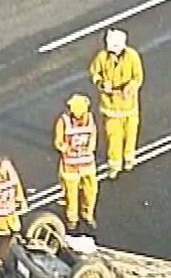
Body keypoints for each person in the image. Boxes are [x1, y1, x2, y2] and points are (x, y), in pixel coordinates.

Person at [89, 28, 144, 179]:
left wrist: (130, 88)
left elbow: (138, 77)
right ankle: (114, 165)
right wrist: (101, 84)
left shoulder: (132, 57)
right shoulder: (101, 57)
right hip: (110, 107)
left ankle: (129, 159)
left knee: (130, 133)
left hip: (129, 106)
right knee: (114, 137)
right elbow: (94, 73)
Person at [54, 93, 99, 231]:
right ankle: (72, 218)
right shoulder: (63, 121)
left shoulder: (90, 119)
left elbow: (93, 137)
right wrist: (67, 148)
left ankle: (88, 214)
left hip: (87, 163)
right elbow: (58, 142)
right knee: (71, 193)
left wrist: (89, 148)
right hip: (70, 164)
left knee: (90, 190)